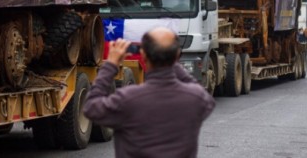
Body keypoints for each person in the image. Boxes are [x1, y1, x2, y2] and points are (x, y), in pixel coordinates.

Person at [83, 27, 215, 158]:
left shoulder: (128, 99)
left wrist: (111, 64)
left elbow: (91, 107)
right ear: (176, 55)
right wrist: (170, 60)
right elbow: (202, 95)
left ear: (143, 55)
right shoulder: (195, 98)